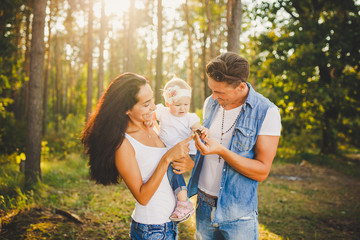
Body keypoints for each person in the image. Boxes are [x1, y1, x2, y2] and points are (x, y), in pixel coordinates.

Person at [81, 72, 194, 240]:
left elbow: (178, 164)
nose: (154, 107)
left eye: (152, 100)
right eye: (146, 104)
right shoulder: (124, 144)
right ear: (126, 109)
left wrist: (188, 163)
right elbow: (142, 196)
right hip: (151, 228)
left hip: (170, 223)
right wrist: (166, 159)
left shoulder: (152, 124)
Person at [186, 52, 282, 239]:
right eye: (212, 90)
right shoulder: (211, 103)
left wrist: (221, 150)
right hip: (203, 206)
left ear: (241, 86)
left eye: (219, 92)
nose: (213, 97)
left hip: (238, 214)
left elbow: (262, 171)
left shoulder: (267, 112)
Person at [154, 77, 208, 222]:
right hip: (168, 152)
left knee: (173, 169)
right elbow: (150, 115)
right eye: (178, 105)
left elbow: (196, 125)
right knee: (167, 170)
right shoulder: (163, 112)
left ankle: (184, 202)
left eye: (186, 104)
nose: (183, 108)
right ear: (168, 103)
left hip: (186, 152)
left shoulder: (189, 117)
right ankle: (178, 199)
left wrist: (200, 129)